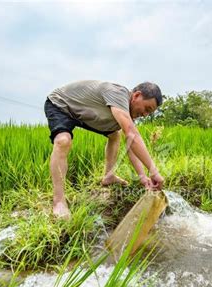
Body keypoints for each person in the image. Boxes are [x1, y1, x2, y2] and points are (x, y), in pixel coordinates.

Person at [44, 80, 164, 220]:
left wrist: (143, 177)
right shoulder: (117, 93)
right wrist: (154, 171)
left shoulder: (126, 112)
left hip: (85, 114)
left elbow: (131, 144)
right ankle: (58, 201)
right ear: (136, 95)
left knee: (115, 134)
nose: (145, 114)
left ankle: (109, 176)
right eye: (147, 108)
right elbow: (132, 134)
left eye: (149, 113)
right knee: (63, 141)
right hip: (61, 105)